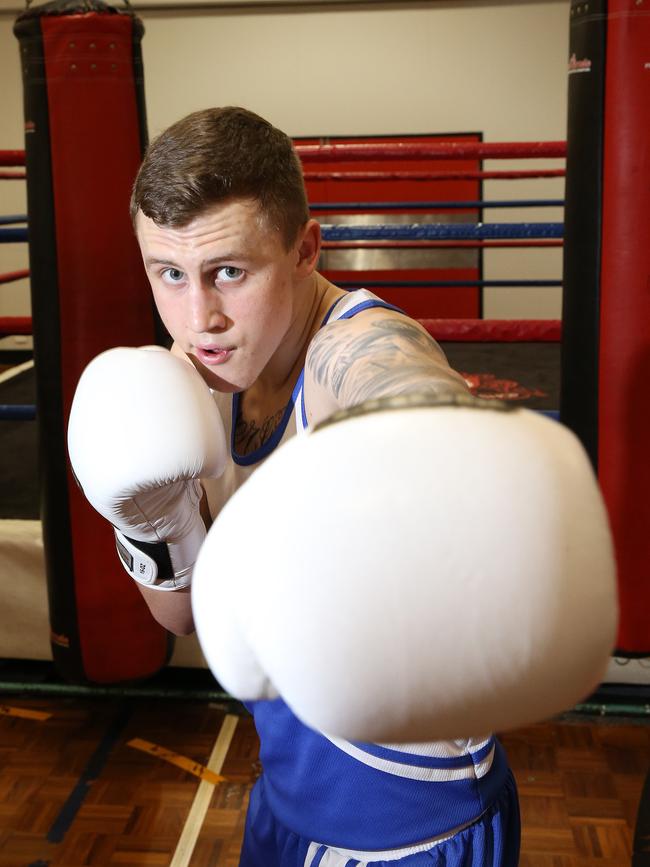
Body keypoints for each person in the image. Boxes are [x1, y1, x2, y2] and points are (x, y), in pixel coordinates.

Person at [67, 106, 616, 866]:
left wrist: (437, 447)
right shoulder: (192, 364)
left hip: (414, 830)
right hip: (286, 806)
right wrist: (154, 523)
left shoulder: (356, 350)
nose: (202, 317)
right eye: (170, 274)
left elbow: (403, 390)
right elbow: (182, 619)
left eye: (229, 270)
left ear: (306, 248)